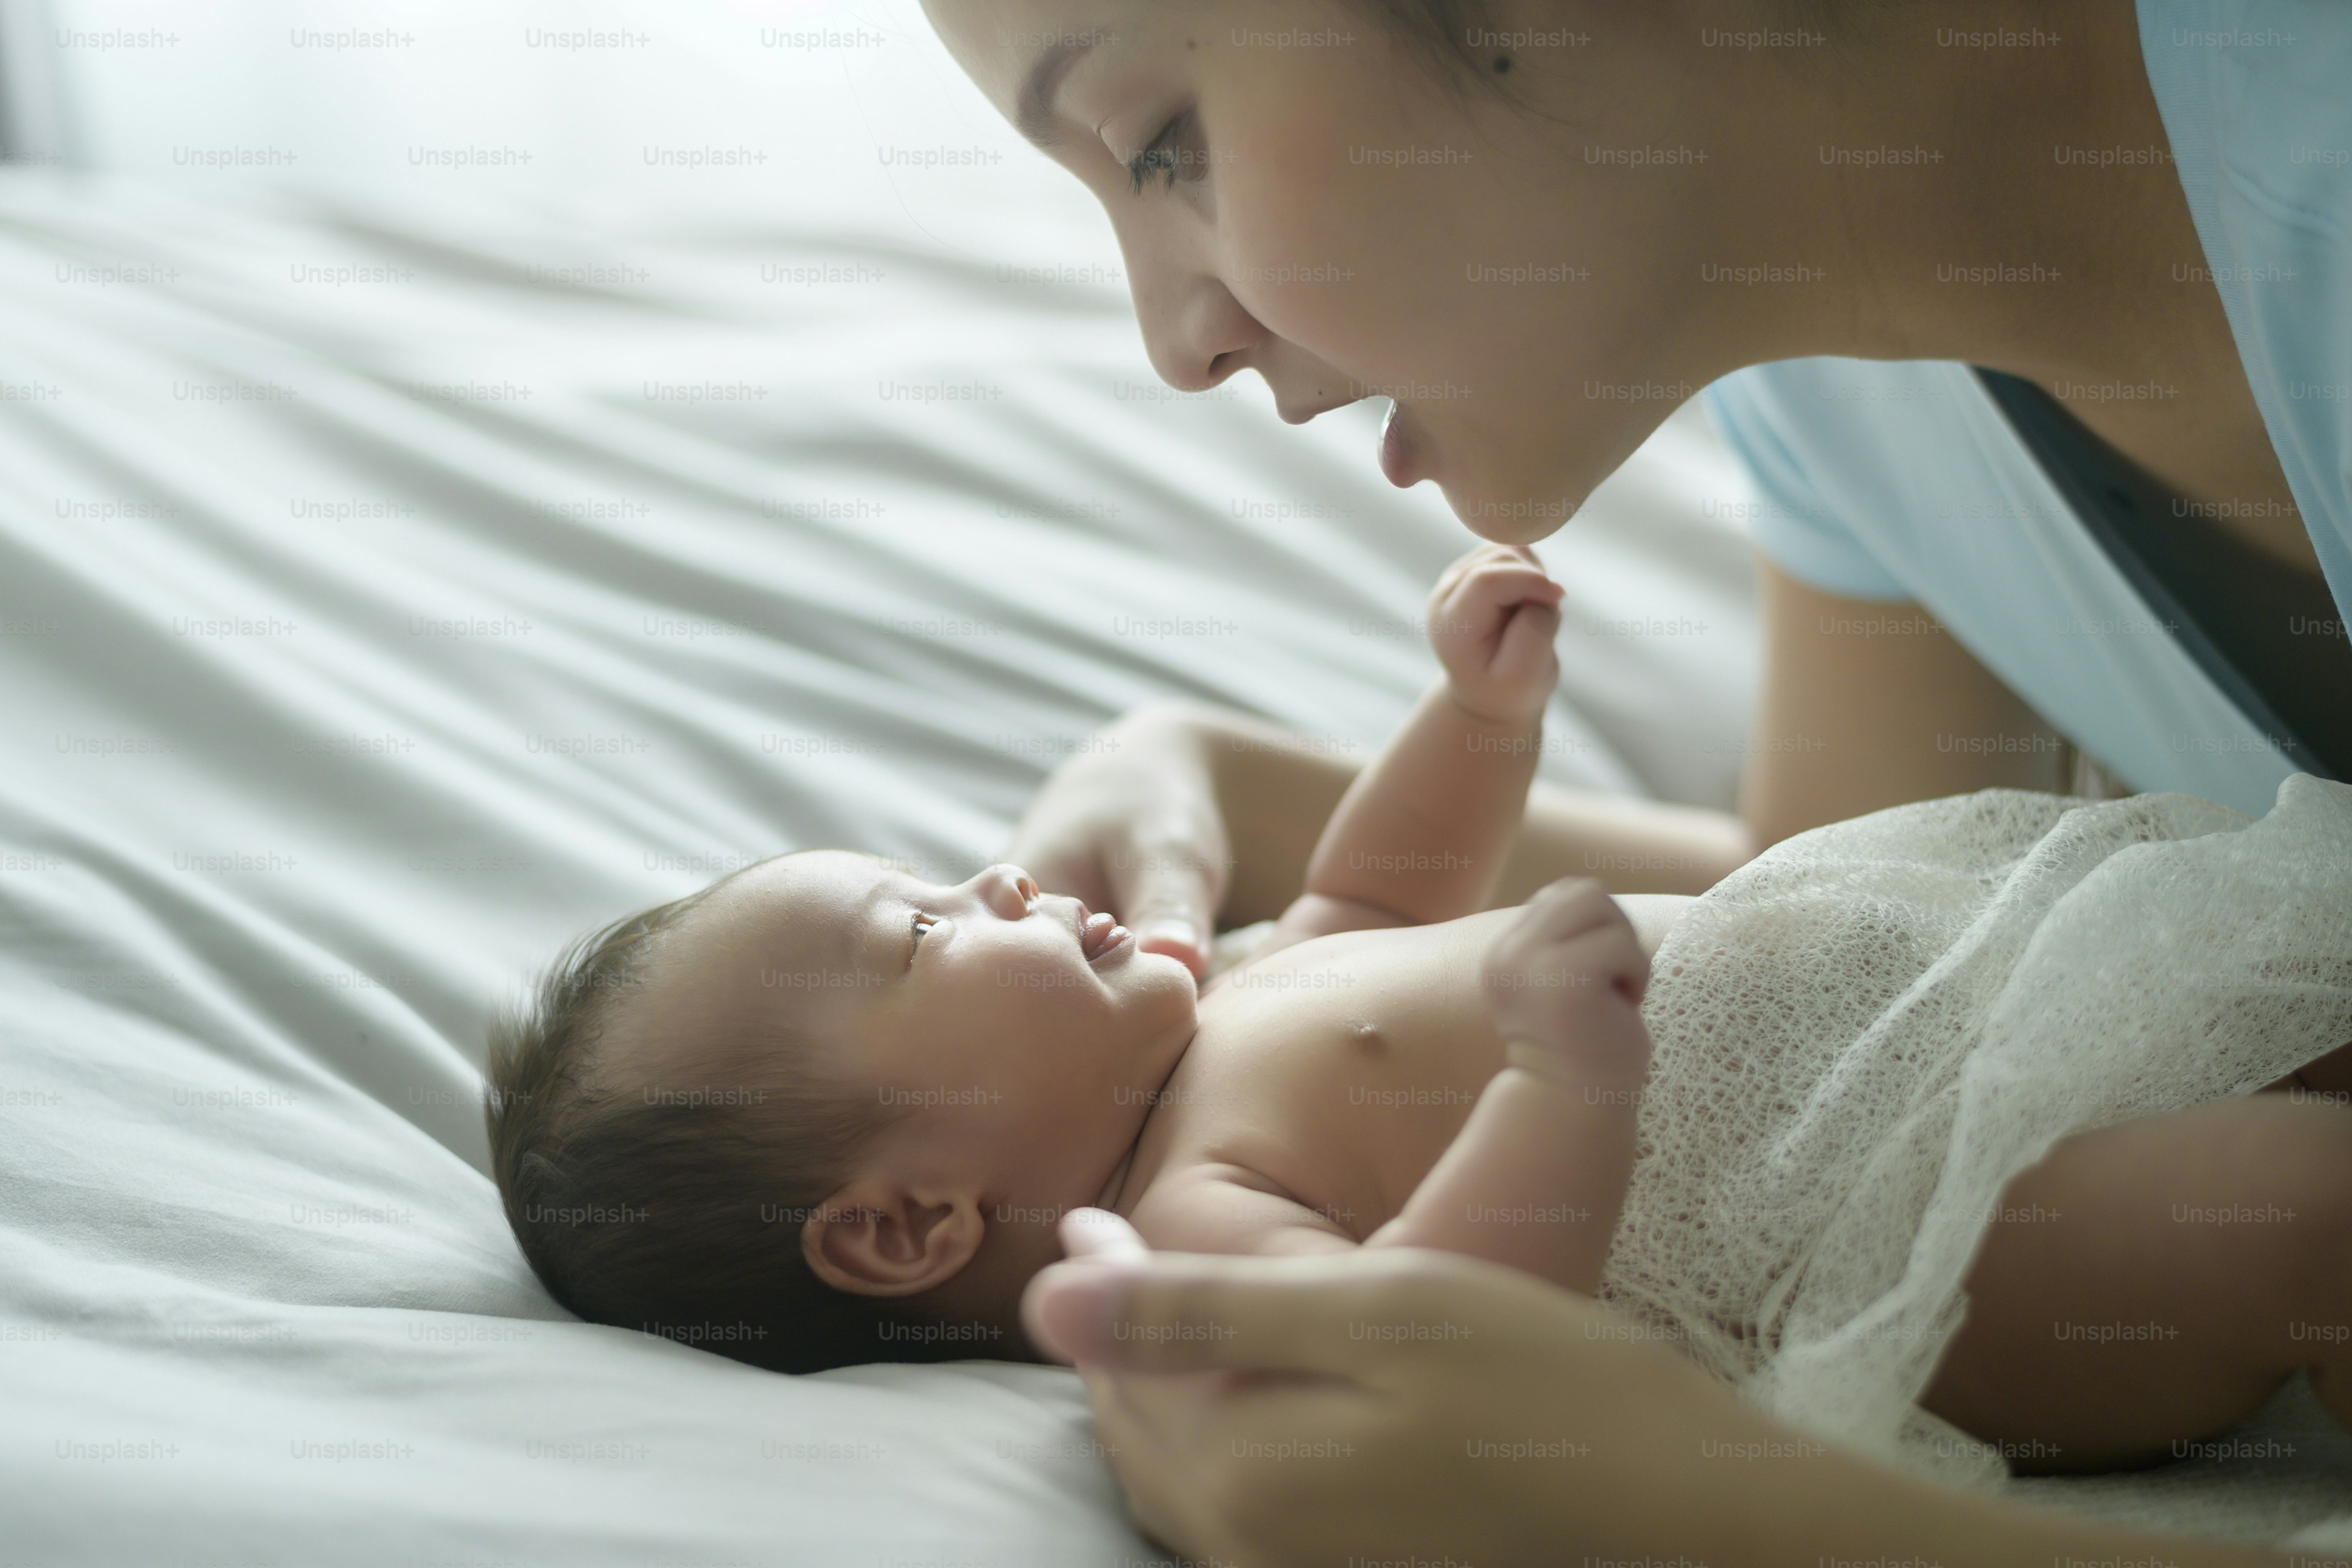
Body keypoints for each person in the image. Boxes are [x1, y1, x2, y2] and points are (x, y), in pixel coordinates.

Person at [906, 0, 2352, 1559]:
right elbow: (1830, 917)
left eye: (1157, 144)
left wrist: (1709, 1507)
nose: (1172, 346)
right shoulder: (1831, 371)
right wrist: (1209, 771)